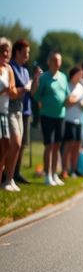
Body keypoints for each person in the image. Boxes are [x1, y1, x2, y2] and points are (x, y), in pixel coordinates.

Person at [34, 51, 69, 186]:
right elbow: (37, 96)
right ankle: (47, 175)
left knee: (57, 145)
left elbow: (66, 95)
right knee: (49, 145)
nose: (57, 63)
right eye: (54, 60)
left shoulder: (64, 77)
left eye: (59, 60)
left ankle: (54, 174)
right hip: (47, 115)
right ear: (49, 62)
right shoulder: (44, 78)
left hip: (60, 116)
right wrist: (41, 102)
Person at [8, 39, 39, 186]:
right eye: (25, 52)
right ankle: (8, 175)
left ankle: (16, 173)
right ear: (17, 52)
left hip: (25, 110)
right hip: (11, 109)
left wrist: (36, 79)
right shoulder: (11, 67)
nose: (27, 55)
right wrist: (24, 88)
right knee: (12, 144)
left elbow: (32, 92)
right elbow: (13, 90)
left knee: (22, 144)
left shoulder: (25, 71)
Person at [0, 38, 19, 191]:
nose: (5, 53)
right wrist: (3, 91)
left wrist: (12, 91)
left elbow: (13, 94)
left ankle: (3, 180)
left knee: (6, 147)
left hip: (4, 112)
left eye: (8, 51)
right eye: (2, 50)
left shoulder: (9, 69)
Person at [63, 66, 83, 177]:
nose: (81, 77)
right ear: (73, 75)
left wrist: (82, 103)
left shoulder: (80, 87)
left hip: (79, 120)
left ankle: (74, 169)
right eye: (79, 75)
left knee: (77, 146)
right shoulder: (67, 86)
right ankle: (64, 170)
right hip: (69, 119)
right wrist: (77, 100)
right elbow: (67, 103)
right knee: (68, 145)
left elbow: (79, 101)